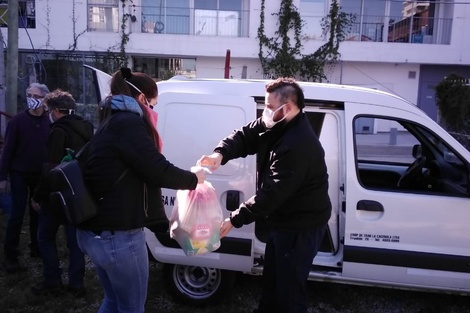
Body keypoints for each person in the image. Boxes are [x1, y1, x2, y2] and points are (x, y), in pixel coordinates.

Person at [76, 68, 206, 313]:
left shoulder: (110, 121)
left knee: (113, 301)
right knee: (131, 307)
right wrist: (194, 179)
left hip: (96, 232)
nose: (153, 110)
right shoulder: (129, 124)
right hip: (119, 236)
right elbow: (156, 169)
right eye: (153, 103)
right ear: (141, 98)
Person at [198, 77, 332, 313]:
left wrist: (234, 219)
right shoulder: (279, 124)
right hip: (282, 223)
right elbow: (246, 134)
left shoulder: (298, 144)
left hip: (300, 227)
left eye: (270, 107)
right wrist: (221, 154)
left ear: (287, 107)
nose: (265, 112)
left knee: (288, 291)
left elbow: (271, 194)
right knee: (272, 282)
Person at [30, 89, 94, 296]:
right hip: (79, 194)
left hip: (56, 195)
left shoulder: (58, 131)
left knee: (45, 237)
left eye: (50, 110)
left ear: (57, 111)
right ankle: (77, 283)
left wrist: (38, 195)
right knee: (74, 241)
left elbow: (50, 168)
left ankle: (53, 280)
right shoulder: (86, 128)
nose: (49, 114)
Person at [0, 82, 50, 272]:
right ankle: (11, 255)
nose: (32, 99)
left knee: (39, 212)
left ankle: (36, 248)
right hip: (19, 172)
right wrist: (2, 176)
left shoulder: (49, 121)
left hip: (40, 174)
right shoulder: (18, 121)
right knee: (16, 214)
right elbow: (8, 150)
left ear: (44, 99)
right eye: (29, 95)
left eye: (36, 96)